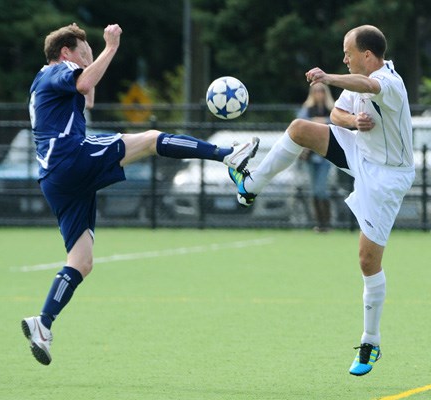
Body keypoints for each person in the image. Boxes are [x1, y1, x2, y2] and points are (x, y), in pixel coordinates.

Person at [21, 23, 259, 366]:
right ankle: (227, 153)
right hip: (70, 158)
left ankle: (42, 323)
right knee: (150, 139)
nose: (90, 54)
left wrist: (92, 69)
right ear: (66, 52)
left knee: (82, 261)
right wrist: (111, 46)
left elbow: (85, 96)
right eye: (84, 49)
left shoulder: (43, 79)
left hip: (55, 178)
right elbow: (85, 82)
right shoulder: (62, 69)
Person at [229, 25, 414, 376]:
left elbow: (369, 87)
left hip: (388, 175)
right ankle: (250, 185)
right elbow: (335, 115)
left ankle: (370, 341)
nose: (344, 58)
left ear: (368, 56)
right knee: (300, 129)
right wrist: (353, 122)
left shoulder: (390, 83)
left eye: (349, 52)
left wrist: (326, 78)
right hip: (360, 150)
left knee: (367, 261)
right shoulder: (355, 77)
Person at [297, 83, 335, 232]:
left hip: (326, 155)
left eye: (321, 91)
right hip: (310, 155)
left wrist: (322, 121)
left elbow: (336, 122)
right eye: (316, 91)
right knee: (313, 190)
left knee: (321, 189)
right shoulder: (307, 109)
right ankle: (319, 224)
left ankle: (327, 222)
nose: (319, 93)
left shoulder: (331, 109)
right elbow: (300, 124)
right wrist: (316, 121)